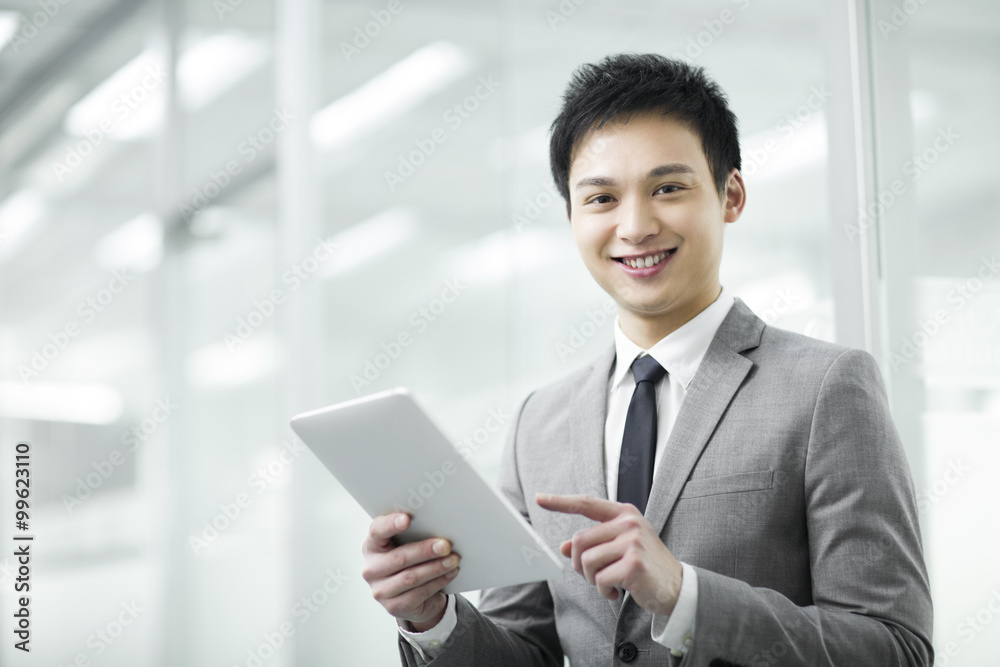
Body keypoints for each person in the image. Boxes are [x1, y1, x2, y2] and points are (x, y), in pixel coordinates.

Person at [360, 53, 933, 666]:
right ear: (572, 217)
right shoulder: (540, 423)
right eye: (602, 198)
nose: (634, 226)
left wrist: (685, 597)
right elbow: (526, 651)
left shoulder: (825, 388)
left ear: (730, 194)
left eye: (667, 188)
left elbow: (895, 649)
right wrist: (433, 618)